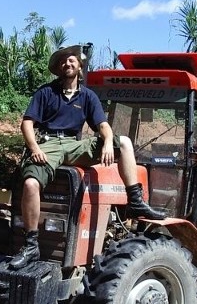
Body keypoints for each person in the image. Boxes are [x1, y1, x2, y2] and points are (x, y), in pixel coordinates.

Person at [10, 44, 166, 270]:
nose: (67, 63)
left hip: (74, 144)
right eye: (63, 61)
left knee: (124, 143)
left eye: (71, 60)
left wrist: (107, 144)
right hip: (50, 143)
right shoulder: (45, 92)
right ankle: (32, 244)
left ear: (80, 65)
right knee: (31, 184)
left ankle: (135, 201)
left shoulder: (88, 96)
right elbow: (27, 123)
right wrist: (34, 148)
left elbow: (102, 125)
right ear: (58, 67)